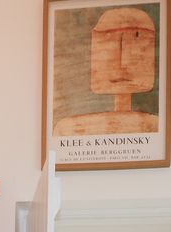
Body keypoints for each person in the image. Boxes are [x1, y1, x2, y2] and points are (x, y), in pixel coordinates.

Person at [54, 7, 159, 136]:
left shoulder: (155, 126)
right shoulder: (67, 129)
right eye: (108, 39)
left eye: (137, 39)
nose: (122, 62)